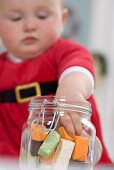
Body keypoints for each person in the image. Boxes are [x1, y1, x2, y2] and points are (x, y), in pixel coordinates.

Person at [0, 0, 112, 165]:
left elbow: (78, 70)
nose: (30, 26)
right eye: (16, 18)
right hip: (14, 162)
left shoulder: (66, 51)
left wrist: (71, 90)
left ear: (63, 19)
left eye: (42, 16)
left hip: (77, 158)